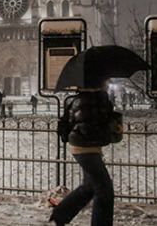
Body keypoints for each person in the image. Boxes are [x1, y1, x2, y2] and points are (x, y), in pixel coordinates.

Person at [49, 79, 114, 226]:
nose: (107, 83)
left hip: (85, 147)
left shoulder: (88, 99)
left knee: (89, 186)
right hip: (85, 148)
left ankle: (60, 214)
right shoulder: (88, 101)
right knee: (104, 191)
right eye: (105, 82)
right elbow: (91, 125)